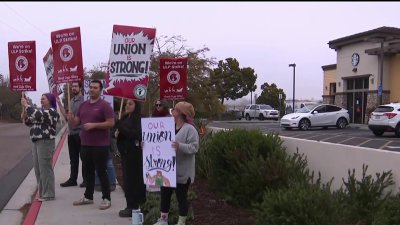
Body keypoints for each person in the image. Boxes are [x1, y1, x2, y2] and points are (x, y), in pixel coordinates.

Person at [68, 80, 115, 210]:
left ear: (100, 90)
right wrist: (71, 118)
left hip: (100, 145)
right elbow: (76, 124)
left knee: (101, 171)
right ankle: (88, 196)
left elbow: (111, 123)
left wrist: (94, 125)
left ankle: (106, 198)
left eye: (95, 88)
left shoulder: (105, 105)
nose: (92, 89)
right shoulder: (83, 105)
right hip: (85, 144)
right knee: (88, 171)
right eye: (91, 87)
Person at [153, 101, 200, 225]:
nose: (172, 110)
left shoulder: (190, 129)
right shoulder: (167, 126)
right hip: (166, 170)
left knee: (181, 197)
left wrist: (180, 146)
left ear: (180, 113)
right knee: (165, 195)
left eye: (175, 109)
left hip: (182, 171)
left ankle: (181, 222)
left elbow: (194, 148)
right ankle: (163, 220)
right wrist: (147, 145)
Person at [21, 93, 60, 201]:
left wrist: (27, 105)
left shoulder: (52, 112)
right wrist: (25, 113)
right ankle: (43, 192)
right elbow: (30, 122)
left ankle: (49, 194)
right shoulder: (41, 111)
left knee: (45, 168)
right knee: (38, 169)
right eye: (41, 98)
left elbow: (38, 116)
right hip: (36, 141)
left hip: (45, 142)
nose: (41, 100)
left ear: (50, 100)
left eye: (44, 98)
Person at [115, 99, 146, 217]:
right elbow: (121, 133)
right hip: (125, 154)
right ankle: (130, 205)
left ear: (136, 105)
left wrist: (120, 126)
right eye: (127, 103)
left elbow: (135, 134)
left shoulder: (139, 119)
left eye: (130, 104)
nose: (127, 106)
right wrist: (116, 133)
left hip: (135, 155)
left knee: (134, 181)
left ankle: (135, 206)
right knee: (127, 180)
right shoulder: (124, 118)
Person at [57, 81, 86, 188]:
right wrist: (60, 105)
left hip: (81, 133)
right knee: (73, 158)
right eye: (72, 86)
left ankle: (86, 180)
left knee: (84, 157)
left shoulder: (84, 100)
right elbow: (66, 117)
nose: (73, 88)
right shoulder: (71, 100)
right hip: (71, 133)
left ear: (80, 88)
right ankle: (72, 179)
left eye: (75, 86)